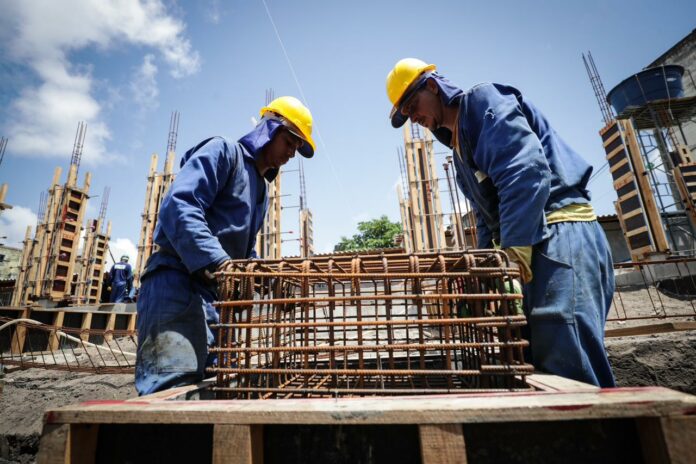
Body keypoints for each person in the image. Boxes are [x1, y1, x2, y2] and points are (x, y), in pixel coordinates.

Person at [385, 58, 615, 387]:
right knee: (534, 356)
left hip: (559, 231)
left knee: (567, 350)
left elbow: (525, 172)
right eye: (406, 114)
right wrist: (484, 274)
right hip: (534, 242)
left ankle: (609, 434)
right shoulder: (459, 152)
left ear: (433, 87)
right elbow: (486, 218)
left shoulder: (481, 104)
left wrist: (513, 255)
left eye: (412, 105)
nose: (414, 117)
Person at [135, 96, 315, 395]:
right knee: (170, 390)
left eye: (297, 149)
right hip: (176, 284)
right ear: (269, 131)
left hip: (215, 299)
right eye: (290, 142)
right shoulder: (223, 152)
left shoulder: (261, 190)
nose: (291, 154)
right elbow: (180, 206)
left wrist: (269, 281)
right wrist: (219, 262)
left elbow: (242, 254)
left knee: (212, 389)